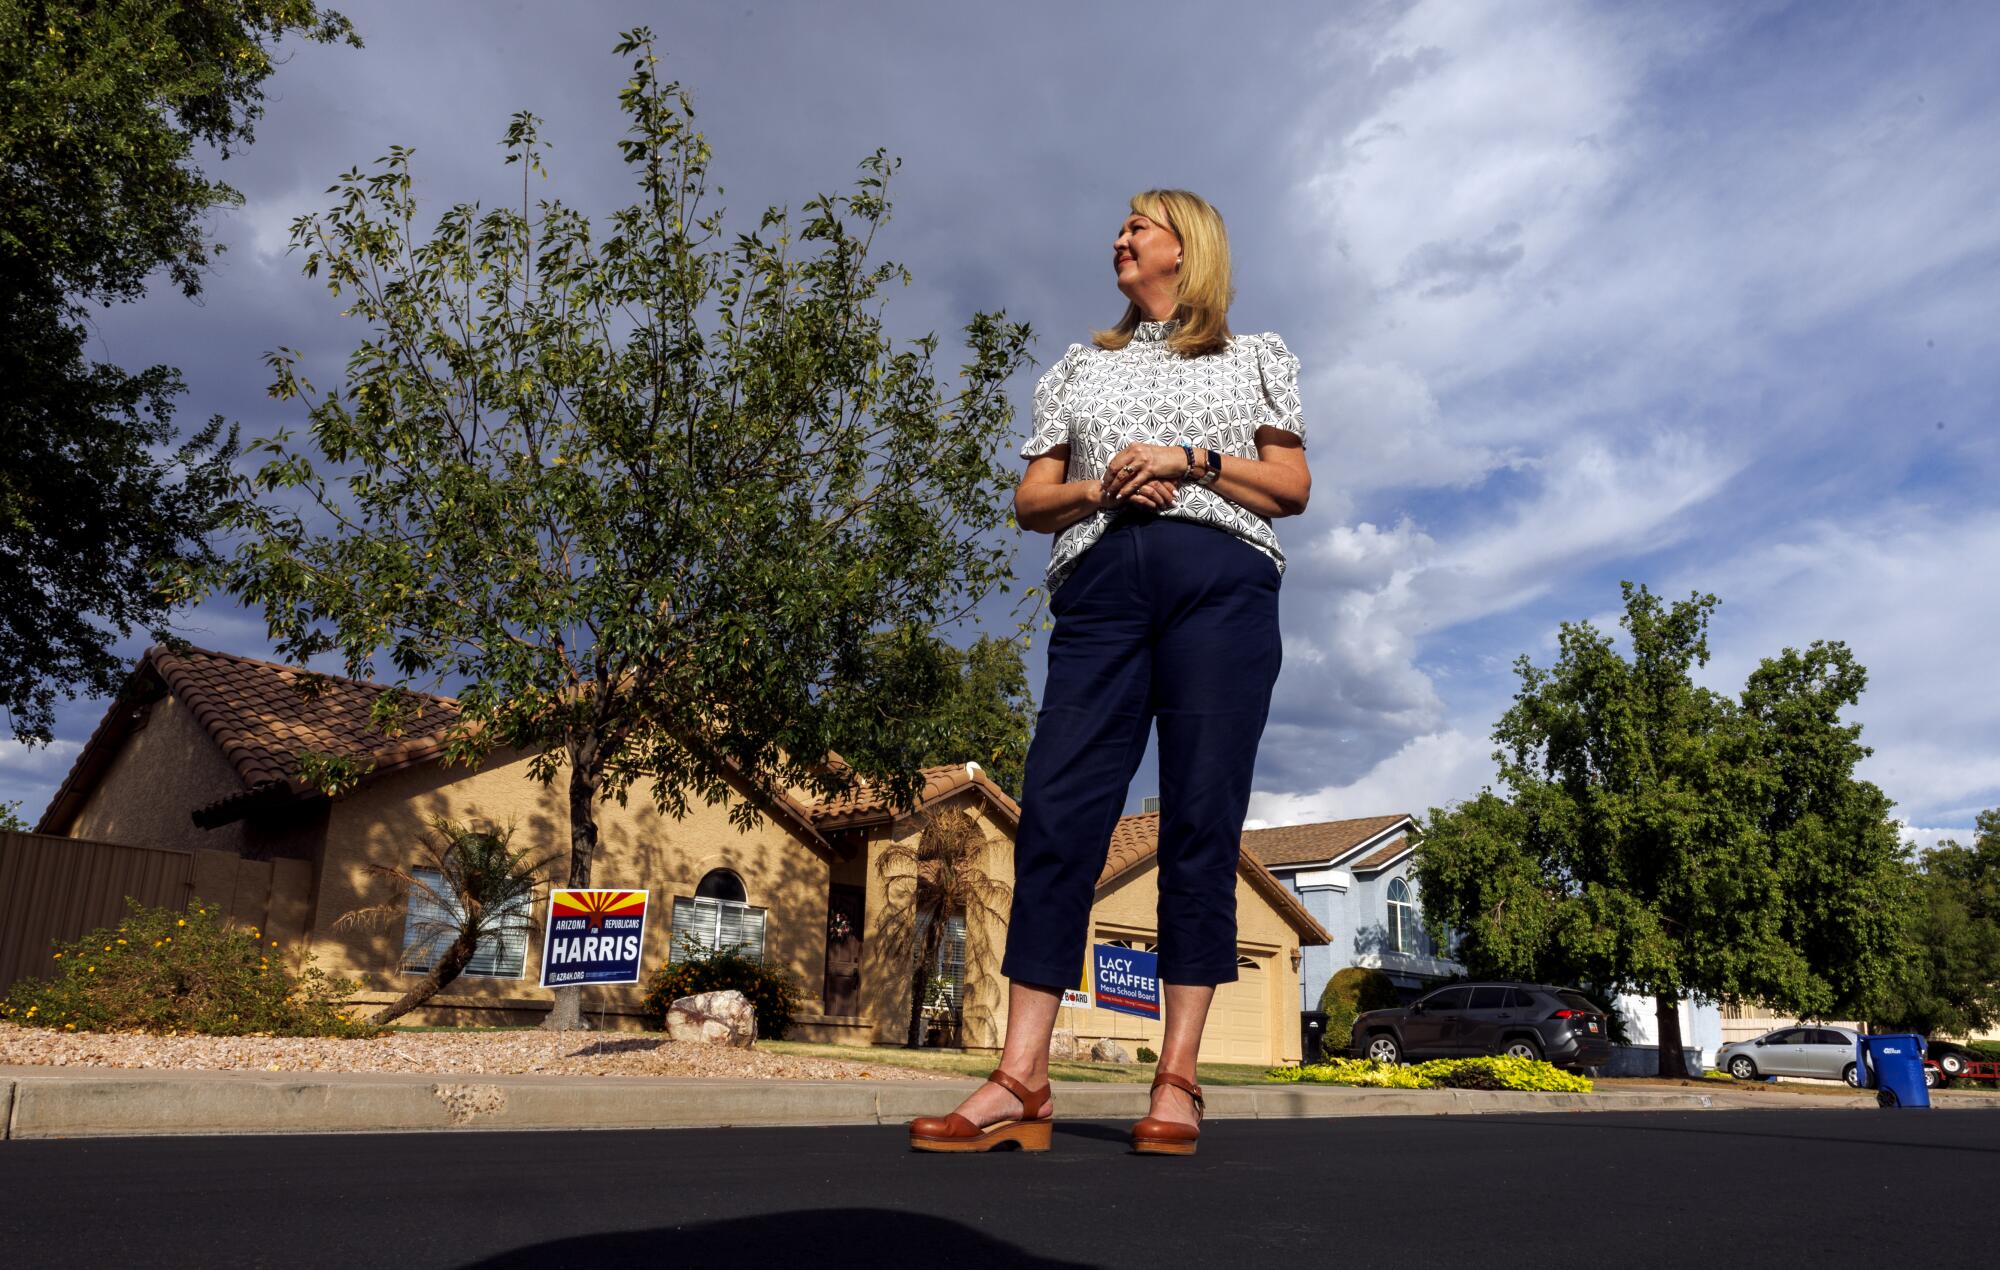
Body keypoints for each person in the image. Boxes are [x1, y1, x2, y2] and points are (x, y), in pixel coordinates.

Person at [908, 189, 1309, 1156]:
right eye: (1120, 229)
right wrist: (1104, 484)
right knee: (1057, 811)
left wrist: (1193, 458)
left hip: (1224, 592)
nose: (1118, 239)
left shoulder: (1258, 356)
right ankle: (1021, 1078)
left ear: (1188, 247)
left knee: (1200, 821)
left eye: (1138, 226)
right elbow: (1030, 498)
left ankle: (1177, 1080)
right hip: (1101, 592)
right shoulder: (1079, 368)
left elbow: (1291, 487)